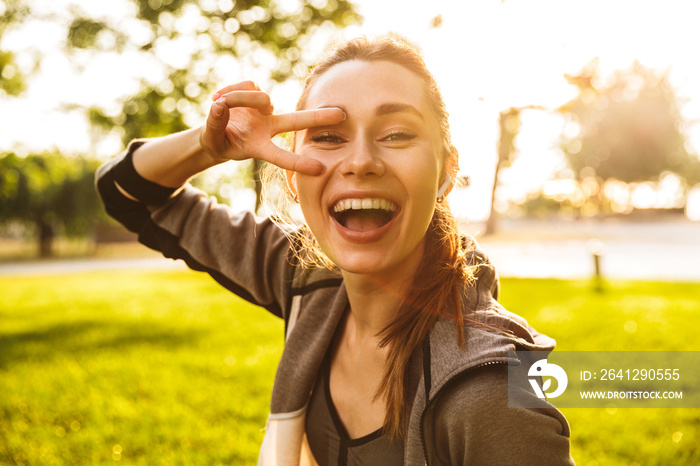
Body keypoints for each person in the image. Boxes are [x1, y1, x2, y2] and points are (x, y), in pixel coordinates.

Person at [96, 35, 574, 465]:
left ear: (446, 171)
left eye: (396, 135)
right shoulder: (306, 275)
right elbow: (126, 194)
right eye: (327, 138)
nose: (361, 161)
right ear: (292, 174)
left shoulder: (490, 392)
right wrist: (211, 146)